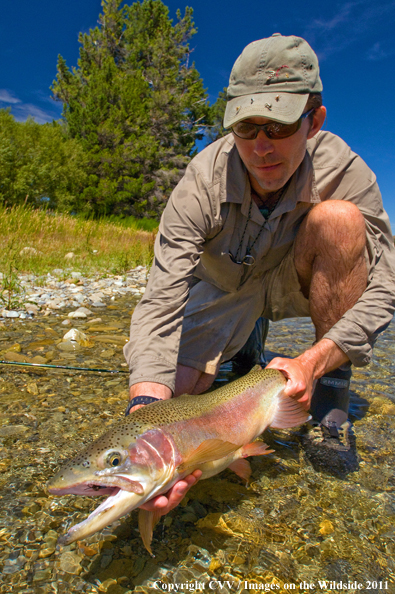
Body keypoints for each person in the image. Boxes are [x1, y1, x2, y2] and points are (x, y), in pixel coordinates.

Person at [123, 34, 395, 512]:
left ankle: (332, 398)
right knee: (178, 396)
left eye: (279, 125)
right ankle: (247, 343)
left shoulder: (348, 171)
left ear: (315, 121)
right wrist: (146, 409)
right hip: (227, 287)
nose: (261, 147)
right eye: (246, 127)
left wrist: (313, 362)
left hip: (297, 282)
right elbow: (161, 298)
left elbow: (385, 288)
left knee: (340, 220)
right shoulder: (201, 180)